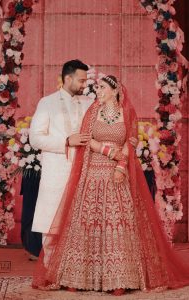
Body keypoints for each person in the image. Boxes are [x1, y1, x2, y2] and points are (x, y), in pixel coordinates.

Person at [32, 75, 189, 295]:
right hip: (93, 173)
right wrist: (108, 151)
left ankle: (119, 279)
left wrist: (121, 165)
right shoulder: (93, 111)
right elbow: (87, 139)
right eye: (98, 87)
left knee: (119, 222)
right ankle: (76, 277)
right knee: (86, 221)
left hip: (118, 174)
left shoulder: (127, 113)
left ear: (115, 91)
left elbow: (130, 142)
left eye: (103, 87)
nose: (98, 90)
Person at [29, 59, 93, 239]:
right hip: (57, 174)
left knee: (82, 230)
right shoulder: (47, 103)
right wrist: (66, 141)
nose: (84, 84)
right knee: (52, 232)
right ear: (67, 78)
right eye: (81, 80)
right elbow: (35, 138)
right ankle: (49, 267)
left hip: (84, 173)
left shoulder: (90, 103)